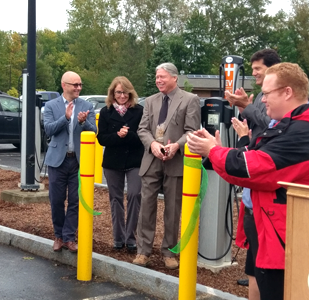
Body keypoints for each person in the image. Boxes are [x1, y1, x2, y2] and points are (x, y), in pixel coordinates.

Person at [187, 62, 309, 300]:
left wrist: (213, 151)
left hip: (283, 236)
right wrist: (219, 151)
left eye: (266, 93)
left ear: (287, 92)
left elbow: (253, 169)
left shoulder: (300, 131)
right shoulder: (288, 126)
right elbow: (249, 165)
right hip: (269, 227)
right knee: (260, 280)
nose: (262, 100)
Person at [132, 62, 201, 269]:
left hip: (175, 161)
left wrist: (176, 147)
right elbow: (142, 129)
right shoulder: (151, 101)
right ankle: (143, 251)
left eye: (162, 77)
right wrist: (152, 144)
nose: (158, 80)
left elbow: (191, 130)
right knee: (146, 207)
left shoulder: (190, 100)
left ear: (174, 78)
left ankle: (169, 252)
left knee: (172, 209)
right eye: (156, 77)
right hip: (152, 159)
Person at [226, 48, 280, 300]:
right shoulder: (260, 95)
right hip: (252, 188)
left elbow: (270, 124)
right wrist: (242, 117)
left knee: (266, 260)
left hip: (266, 188)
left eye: (258, 68)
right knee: (255, 257)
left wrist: (246, 106)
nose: (254, 73)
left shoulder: (276, 103)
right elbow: (258, 125)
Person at [44, 71, 97, 253]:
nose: (79, 88)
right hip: (58, 161)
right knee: (57, 200)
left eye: (80, 84)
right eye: (75, 85)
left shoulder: (86, 105)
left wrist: (83, 122)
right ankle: (58, 235)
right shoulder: (51, 106)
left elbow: (94, 131)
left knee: (75, 201)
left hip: (78, 161)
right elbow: (49, 130)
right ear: (64, 85)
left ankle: (68, 238)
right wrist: (65, 118)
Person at [97, 76, 144, 253]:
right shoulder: (105, 111)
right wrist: (118, 136)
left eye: (125, 92)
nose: (122, 96)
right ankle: (118, 237)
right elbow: (101, 138)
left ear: (130, 93)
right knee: (115, 199)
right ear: (112, 93)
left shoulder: (139, 111)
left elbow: (143, 137)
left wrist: (129, 135)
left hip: (134, 161)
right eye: (118, 92)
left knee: (134, 195)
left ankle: (130, 236)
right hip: (112, 162)